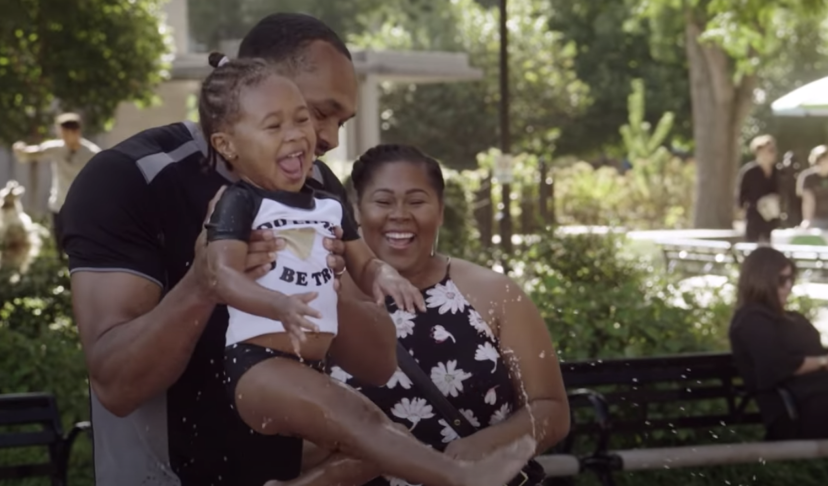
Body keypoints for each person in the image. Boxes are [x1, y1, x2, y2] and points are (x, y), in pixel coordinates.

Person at [61, 14, 401, 486]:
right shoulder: (128, 179)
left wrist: (330, 279)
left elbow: (379, 364)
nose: (329, 139)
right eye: (316, 113)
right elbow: (116, 383)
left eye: (338, 121)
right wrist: (204, 282)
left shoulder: (318, 187)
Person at [201, 55, 533, 486]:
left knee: (383, 443)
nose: (296, 135)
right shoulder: (240, 202)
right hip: (258, 365)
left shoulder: (328, 204)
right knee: (367, 424)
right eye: (274, 126)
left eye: (302, 120)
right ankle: (460, 479)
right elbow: (220, 276)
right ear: (228, 145)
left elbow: (363, 264)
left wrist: (384, 276)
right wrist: (277, 304)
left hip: (308, 368)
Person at [270, 144, 571, 486]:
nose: (399, 214)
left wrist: (480, 449)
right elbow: (284, 434)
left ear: (440, 211)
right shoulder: (318, 302)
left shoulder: (496, 295)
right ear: (354, 211)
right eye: (383, 202)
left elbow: (550, 409)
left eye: (416, 201)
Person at [729, 247, 828, 444]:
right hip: (800, 412)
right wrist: (826, 362)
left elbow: (817, 359)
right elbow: (774, 367)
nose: (788, 286)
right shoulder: (751, 320)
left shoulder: (792, 318)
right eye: (782, 280)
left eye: (791, 279)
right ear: (762, 280)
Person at [12, 112, 100, 256]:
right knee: (60, 248)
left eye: (66, 134)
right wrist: (20, 149)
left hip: (82, 209)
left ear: (76, 132)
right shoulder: (56, 148)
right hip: (59, 206)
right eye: (61, 134)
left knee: (82, 248)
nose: (63, 138)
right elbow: (32, 153)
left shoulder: (91, 153)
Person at [736, 135, 781, 243]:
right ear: (759, 151)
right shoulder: (749, 172)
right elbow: (741, 196)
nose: (772, 153)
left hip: (774, 217)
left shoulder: (779, 171)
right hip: (754, 216)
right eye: (769, 150)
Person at [796, 145, 828, 230]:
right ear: (821, 160)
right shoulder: (808, 178)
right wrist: (807, 221)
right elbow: (808, 201)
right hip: (816, 220)